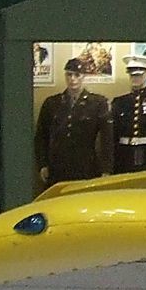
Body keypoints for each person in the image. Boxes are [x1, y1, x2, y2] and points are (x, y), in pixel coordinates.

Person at [34, 56, 112, 191]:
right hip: (57, 167)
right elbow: (41, 136)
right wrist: (43, 164)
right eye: (69, 75)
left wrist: (106, 169)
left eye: (77, 75)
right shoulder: (52, 103)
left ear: (84, 77)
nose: (73, 79)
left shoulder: (97, 103)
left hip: (86, 166)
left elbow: (107, 139)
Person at [110, 53, 146, 173]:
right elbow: (114, 133)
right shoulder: (120, 102)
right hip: (124, 154)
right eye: (132, 75)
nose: (135, 79)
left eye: (139, 75)